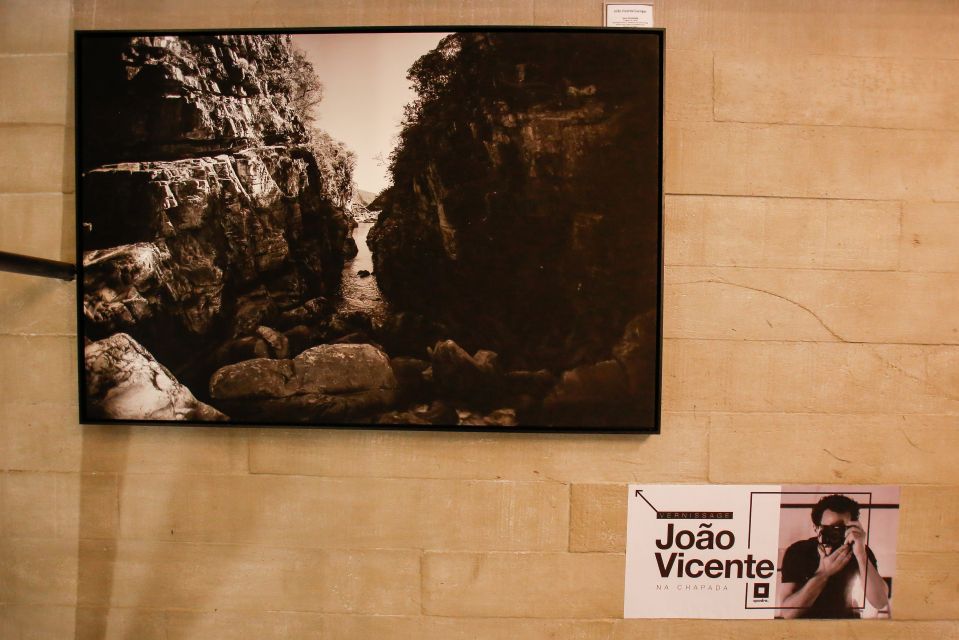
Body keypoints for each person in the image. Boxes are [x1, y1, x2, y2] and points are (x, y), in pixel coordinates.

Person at [778, 494, 890, 618]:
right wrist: (823, 573)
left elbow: (880, 602)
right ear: (816, 528)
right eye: (829, 528)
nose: (835, 534)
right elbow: (788, 613)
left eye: (841, 529)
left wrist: (861, 555)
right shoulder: (799, 551)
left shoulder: (858, 549)